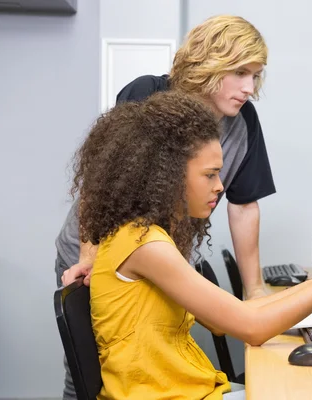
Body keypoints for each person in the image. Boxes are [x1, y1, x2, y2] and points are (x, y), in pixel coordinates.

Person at [73, 88, 312, 400]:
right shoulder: (144, 245)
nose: (220, 186)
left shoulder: (145, 237)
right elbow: (252, 328)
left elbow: (232, 317)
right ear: (166, 175)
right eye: (210, 174)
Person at [58, 14, 275, 300]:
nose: (249, 88)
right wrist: (88, 257)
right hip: (95, 254)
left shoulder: (244, 121)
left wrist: (255, 290)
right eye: (239, 72)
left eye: (255, 76)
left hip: (160, 261)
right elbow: (101, 184)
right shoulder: (148, 95)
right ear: (209, 63)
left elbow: (244, 207)